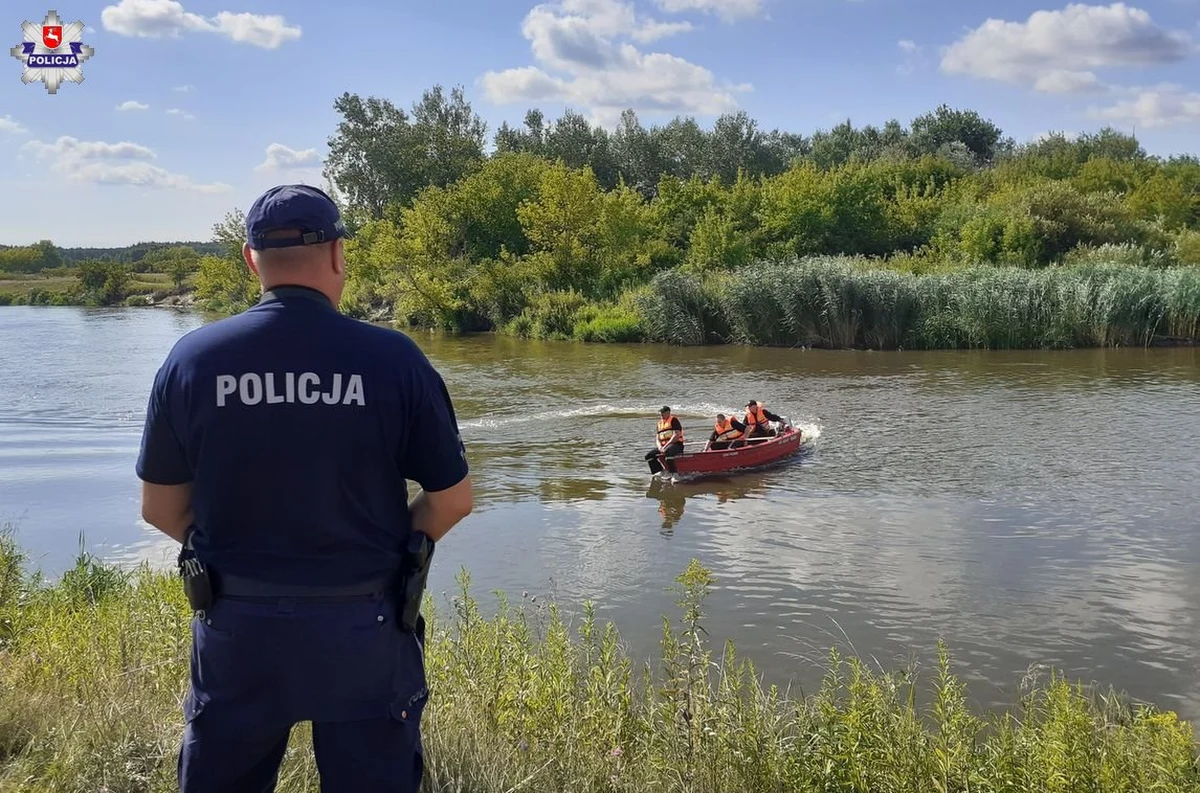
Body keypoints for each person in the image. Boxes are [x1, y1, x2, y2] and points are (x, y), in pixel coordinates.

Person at [135, 184, 474, 793]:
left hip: (237, 630)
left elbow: (160, 507)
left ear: (250, 260)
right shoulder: (396, 360)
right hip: (365, 630)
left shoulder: (193, 360)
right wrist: (400, 541)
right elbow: (452, 500)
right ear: (339, 254)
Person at [644, 405, 684, 475]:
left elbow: (676, 435)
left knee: (668, 452)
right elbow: (657, 438)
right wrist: (659, 447)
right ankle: (659, 472)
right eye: (660, 412)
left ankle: (674, 474)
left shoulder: (674, 420)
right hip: (663, 446)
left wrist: (665, 446)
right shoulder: (659, 423)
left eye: (663, 412)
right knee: (648, 456)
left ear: (668, 412)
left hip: (676, 445)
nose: (661, 414)